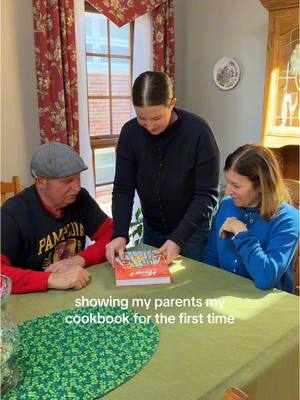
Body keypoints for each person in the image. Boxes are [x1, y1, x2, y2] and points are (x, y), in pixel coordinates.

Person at [106, 71, 220, 265]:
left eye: (157, 118)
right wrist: (120, 234)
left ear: (172, 103)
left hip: (192, 231)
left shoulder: (198, 132)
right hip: (152, 229)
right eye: (142, 118)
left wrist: (178, 239)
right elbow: (123, 189)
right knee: (154, 289)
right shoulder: (130, 133)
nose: (149, 126)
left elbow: (206, 195)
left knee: (192, 288)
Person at [1, 142, 113, 294]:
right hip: (30, 299)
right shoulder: (13, 214)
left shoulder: (80, 198)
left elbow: (112, 234)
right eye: (67, 181)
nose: (77, 187)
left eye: (78, 178)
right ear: (40, 181)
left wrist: (80, 259)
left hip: (73, 293)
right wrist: (50, 279)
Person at [202, 144, 299, 294]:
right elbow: (211, 256)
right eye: (227, 182)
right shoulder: (227, 205)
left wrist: (241, 233)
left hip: (266, 304)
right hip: (223, 293)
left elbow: (266, 278)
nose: (227, 191)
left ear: (261, 186)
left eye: (236, 185)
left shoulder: (288, 220)